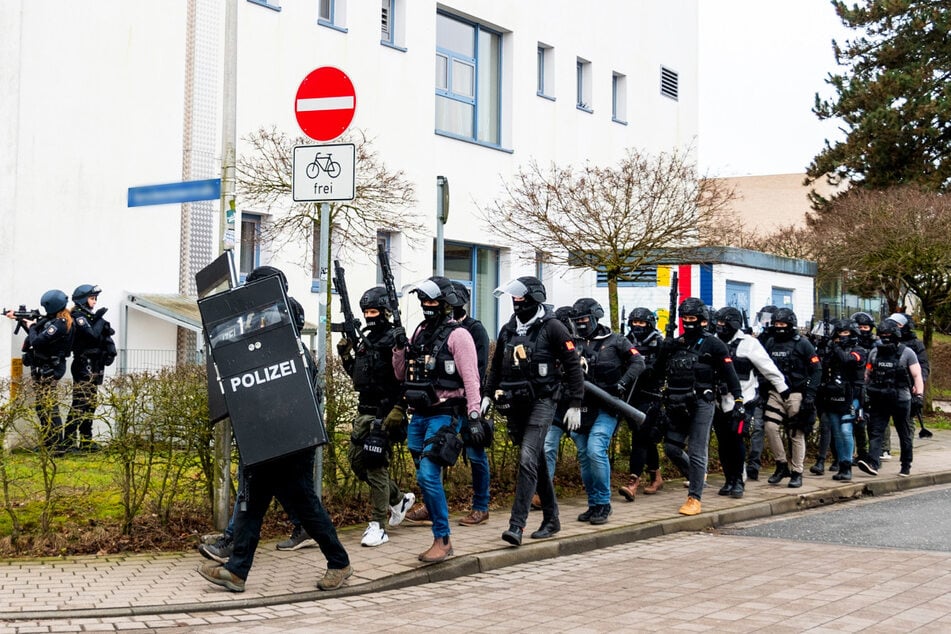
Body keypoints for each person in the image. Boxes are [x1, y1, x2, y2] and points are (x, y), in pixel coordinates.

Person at [198, 266, 352, 593]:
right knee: (250, 506)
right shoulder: (248, 337)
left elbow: (296, 396)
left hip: (291, 443)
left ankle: (339, 563)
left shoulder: (291, 341)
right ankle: (237, 572)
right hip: (261, 440)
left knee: (305, 506)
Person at [485, 277, 584, 546]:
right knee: (536, 461)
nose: (517, 303)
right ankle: (552, 518)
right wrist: (486, 395)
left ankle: (516, 526)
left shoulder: (553, 327)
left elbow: (573, 365)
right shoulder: (508, 329)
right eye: (513, 299)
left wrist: (575, 402)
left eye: (521, 299)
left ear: (535, 299)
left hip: (543, 401)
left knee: (527, 459)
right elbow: (496, 366)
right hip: (516, 404)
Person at [392, 276, 482, 563]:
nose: (427, 306)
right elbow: (400, 374)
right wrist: (398, 349)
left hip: (446, 412)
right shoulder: (419, 332)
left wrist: (474, 414)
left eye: (433, 301)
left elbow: (471, 378)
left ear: (445, 304)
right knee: (423, 475)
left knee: (429, 475)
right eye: (424, 301)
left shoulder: (459, 335)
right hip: (419, 413)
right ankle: (440, 533)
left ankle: (443, 540)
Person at [336, 286, 416, 547]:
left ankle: (377, 525)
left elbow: (407, 377)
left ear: (385, 312)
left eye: (374, 311)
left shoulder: (395, 339)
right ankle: (398, 499)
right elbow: (360, 377)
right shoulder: (365, 341)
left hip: (386, 412)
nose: (370, 316)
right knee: (358, 463)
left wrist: (400, 407)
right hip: (364, 412)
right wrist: (346, 354)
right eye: (366, 312)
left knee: (375, 465)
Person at [656, 297, 743, 516]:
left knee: (697, 450)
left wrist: (739, 400)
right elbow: (657, 372)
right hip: (676, 402)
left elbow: (730, 374)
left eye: (692, 318)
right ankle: (696, 475)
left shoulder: (714, 344)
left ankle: (694, 497)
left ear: (703, 320)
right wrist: (664, 349)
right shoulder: (677, 343)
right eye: (684, 318)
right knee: (671, 449)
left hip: (701, 403)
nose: (688, 322)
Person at [568, 298, 644, 522]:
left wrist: (623, 382)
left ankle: (603, 502)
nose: (580, 323)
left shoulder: (616, 341)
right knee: (583, 455)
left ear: (594, 317)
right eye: (576, 320)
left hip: (607, 406)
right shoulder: (573, 343)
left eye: (583, 319)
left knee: (595, 449)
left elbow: (638, 363)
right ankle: (593, 504)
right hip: (581, 407)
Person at [712, 307, 788, 498]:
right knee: (723, 442)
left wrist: (783, 389)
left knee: (736, 440)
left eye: (724, 324)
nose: (720, 327)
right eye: (718, 323)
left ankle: (739, 480)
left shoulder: (749, 343)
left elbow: (767, 367)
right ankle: (729, 479)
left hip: (743, 400)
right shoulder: (712, 341)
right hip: (718, 400)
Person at [6, 290, 75, 453]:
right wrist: (19, 318)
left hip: (50, 367)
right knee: (42, 406)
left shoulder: (60, 323)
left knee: (49, 406)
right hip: (45, 366)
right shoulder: (53, 321)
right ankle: (50, 442)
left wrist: (31, 326)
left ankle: (57, 445)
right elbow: (38, 333)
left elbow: (37, 341)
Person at [761, 307, 822, 488]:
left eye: (783, 324)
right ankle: (781, 464)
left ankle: (797, 471)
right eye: (777, 324)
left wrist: (810, 395)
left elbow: (817, 369)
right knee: (770, 427)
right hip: (775, 392)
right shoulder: (770, 342)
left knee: (795, 432)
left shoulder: (802, 343)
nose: (779, 327)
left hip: (796, 393)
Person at [857, 319, 924, 478]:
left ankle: (906, 464)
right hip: (879, 397)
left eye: (888, 335)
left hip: (901, 399)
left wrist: (919, 396)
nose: (885, 338)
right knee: (876, 431)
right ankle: (873, 462)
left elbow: (917, 375)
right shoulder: (874, 352)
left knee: (904, 432)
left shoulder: (907, 353)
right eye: (882, 335)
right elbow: (868, 375)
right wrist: (865, 393)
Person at [618, 307, 666, 499]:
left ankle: (633, 482)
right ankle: (656, 476)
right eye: (635, 323)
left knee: (640, 435)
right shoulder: (625, 341)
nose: (637, 326)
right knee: (642, 437)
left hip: (651, 396)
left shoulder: (659, 343)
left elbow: (664, 368)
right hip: (631, 396)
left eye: (642, 323)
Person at [63, 284, 116, 452]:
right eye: (92, 298)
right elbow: (92, 335)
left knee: (91, 403)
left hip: (94, 364)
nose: (95, 301)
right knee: (80, 403)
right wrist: (100, 320)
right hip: (83, 364)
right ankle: (69, 441)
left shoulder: (88, 316)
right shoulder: (78, 316)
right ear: (82, 300)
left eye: (95, 299)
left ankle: (86, 441)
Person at [814, 318, 867, 481]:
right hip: (832, 396)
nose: (842, 336)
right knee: (836, 432)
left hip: (852, 396)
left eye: (845, 333)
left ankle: (847, 465)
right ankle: (841, 463)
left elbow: (847, 360)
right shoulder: (832, 351)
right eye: (839, 333)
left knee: (845, 430)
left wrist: (835, 346)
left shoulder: (859, 350)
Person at [746, 304, 777, 481]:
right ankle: (754, 465)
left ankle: (784, 463)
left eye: (768, 319)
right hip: (758, 388)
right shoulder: (757, 339)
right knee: (757, 427)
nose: (764, 323)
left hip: (774, 390)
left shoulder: (780, 340)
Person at [850, 311, 877, 462]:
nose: (862, 330)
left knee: (873, 424)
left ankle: (873, 454)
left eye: (865, 327)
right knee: (857, 422)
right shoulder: (851, 345)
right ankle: (859, 453)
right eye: (859, 327)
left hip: (873, 388)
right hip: (856, 387)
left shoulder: (876, 345)